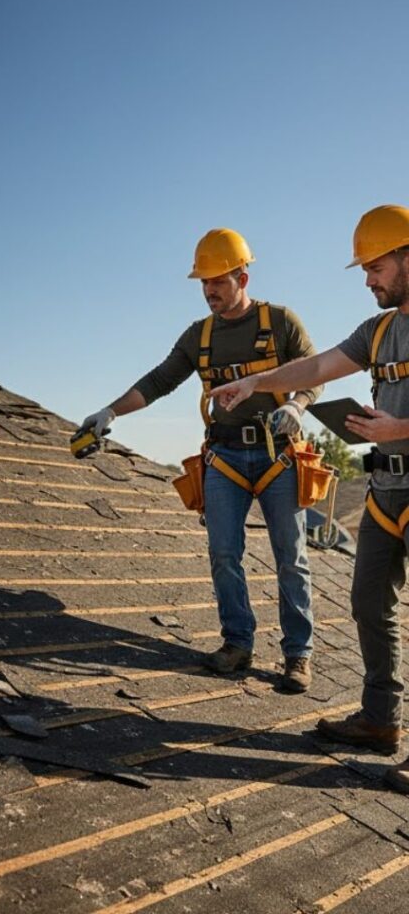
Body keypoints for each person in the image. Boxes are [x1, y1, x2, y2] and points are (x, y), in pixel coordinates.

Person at [212, 204, 409, 793]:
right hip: (384, 490)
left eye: (376, 267)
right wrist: (257, 383)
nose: (368, 279)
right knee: (369, 605)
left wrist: (403, 429)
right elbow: (318, 365)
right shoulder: (378, 331)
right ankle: (380, 720)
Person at [76, 228, 322, 692]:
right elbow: (158, 380)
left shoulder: (279, 322)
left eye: (218, 282)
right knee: (223, 554)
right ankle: (237, 643)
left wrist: (296, 404)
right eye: (203, 283)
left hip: (277, 456)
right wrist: (110, 410)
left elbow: (315, 371)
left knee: (291, 557)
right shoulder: (199, 335)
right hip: (225, 457)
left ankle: (297, 655)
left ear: (242, 277)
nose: (209, 291)